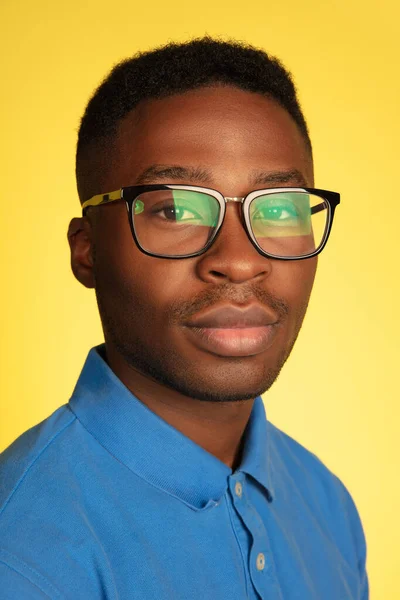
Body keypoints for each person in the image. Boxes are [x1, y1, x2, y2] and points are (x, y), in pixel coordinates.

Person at [0, 36, 368, 599]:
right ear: (87, 251)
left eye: (278, 208)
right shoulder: (23, 550)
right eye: (175, 208)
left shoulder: (326, 503)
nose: (240, 260)